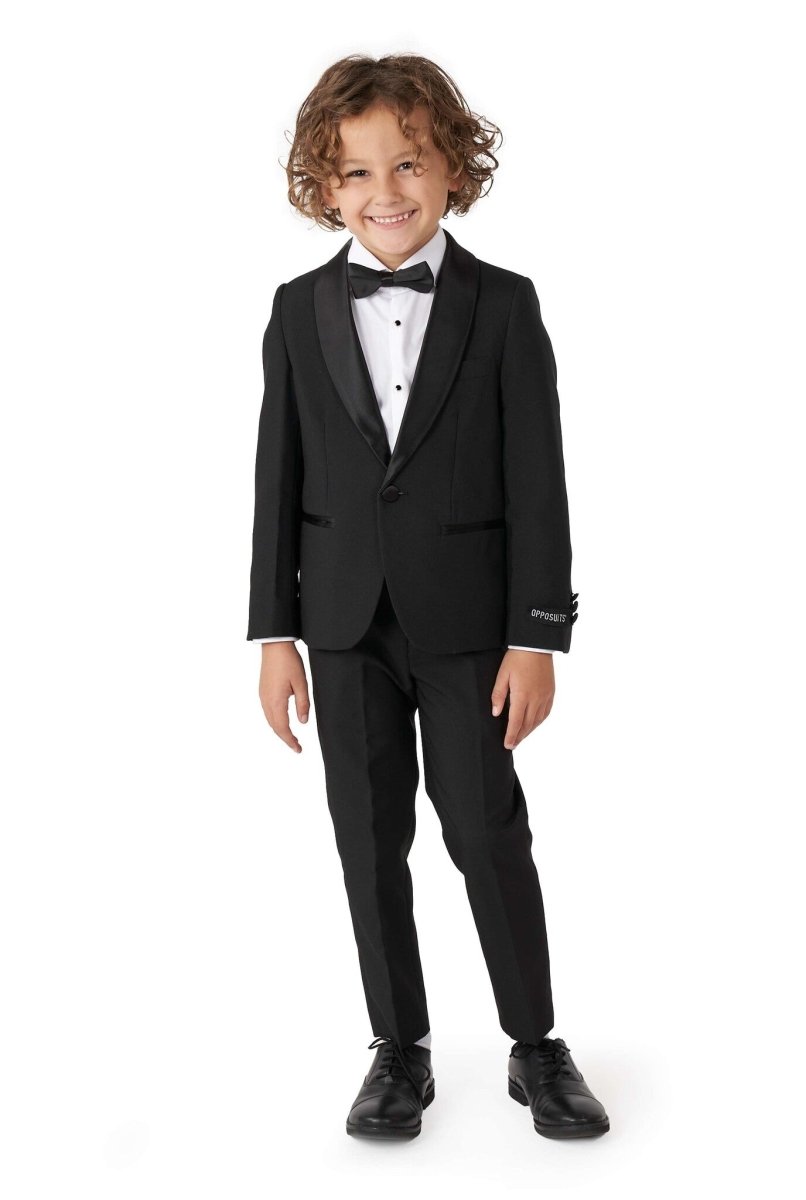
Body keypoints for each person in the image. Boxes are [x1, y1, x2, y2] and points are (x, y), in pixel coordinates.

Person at [247, 52, 609, 1141]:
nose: (385, 192)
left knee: (485, 831)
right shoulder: (296, 309)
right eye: (356, 172)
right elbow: (278, 479)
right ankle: (397, 1049)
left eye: (408, 163)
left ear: (454, 167)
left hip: (469, 628)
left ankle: (535, 1044)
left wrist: (536, 635)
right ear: (324, 187)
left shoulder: (504, 305)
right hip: (341, 625)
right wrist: (274, 633)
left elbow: (537, 481)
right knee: (367, 843)